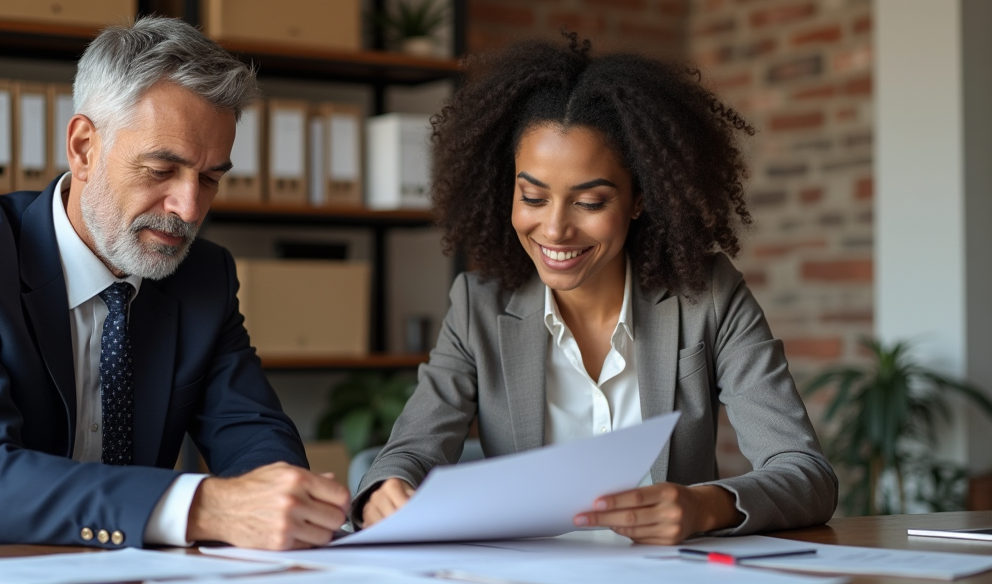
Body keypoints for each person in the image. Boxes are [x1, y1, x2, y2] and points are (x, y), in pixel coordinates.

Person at [0, 17, 350, 553]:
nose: (189, 207)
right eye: (161, 170)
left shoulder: (204, 277)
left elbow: (251, 432)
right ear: (84, 147)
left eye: (210, 178)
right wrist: (202, 507)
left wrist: (283, 504)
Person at [356, 33, 837, 544]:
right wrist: (389, 487)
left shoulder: (708, 296)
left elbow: (806, 474)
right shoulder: (478, 306)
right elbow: (411, 449)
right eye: (533, 197)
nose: (556, 229)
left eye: (589, 203)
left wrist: (706, 506)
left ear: (638, 200)